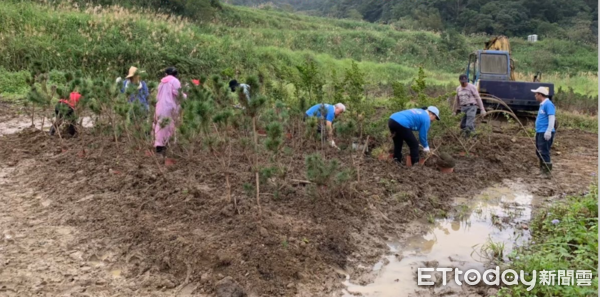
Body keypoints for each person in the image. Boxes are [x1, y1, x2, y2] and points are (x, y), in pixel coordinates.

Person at [153, 67, 184, 156]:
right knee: (168, 125)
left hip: (159, 106)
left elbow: (157, 95)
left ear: (166, 74)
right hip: (169, 107)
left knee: (159, 125)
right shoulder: (175, 81)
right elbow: (178, 93)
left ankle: (159, 145)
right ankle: (164, 145)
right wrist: (186, 97)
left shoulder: (162, 82)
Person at [532, 86, 556, 175]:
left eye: (536, 94)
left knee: (544, 152)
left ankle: (546, 173)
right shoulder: (542, 105)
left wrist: (549, 130)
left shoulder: (548, 104)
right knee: (539, 151)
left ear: (540, 95)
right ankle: (542, 170)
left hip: (545, 132)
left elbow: (551, 118)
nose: (535, 96)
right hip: (540, 132)